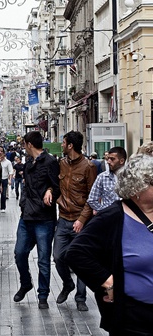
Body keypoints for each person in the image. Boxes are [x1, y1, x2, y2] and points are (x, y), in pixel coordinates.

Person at [66, 154, 153, 335]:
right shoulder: (114, 216)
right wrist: (110, 283)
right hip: (134, 319)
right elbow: (75, 253)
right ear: (137, 186)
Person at [13, 131, 60, 310]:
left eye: (25, 144)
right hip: (26, 217)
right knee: (19, 253)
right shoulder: (28, 163)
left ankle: (43, 295)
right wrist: (23, 203)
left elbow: (57, 187)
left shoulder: (50, 162)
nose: (24, 147)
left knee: (43, 260)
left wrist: (50, 191)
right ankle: (26, 283)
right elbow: (26, 186)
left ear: (29, 144)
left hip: (44, 218)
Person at [53, 131, 97, 311]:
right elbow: (54, 184)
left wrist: (82, 219)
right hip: (63, 219)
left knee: (81, 259)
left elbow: (92, 197)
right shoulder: (61, 164)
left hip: (81, 221)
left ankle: (81, 298)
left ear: (70, 145)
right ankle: (67, 284)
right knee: (58, 256)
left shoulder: (89, 166)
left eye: (63, 143)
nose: (61, 145)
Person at [88, 147, 127, 214]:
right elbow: (92, 200)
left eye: (112, 159)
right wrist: (105, 212)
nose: (108, 161)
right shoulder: (102, 177)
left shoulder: (130, 177)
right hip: (109, 219)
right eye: (108, 159)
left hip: (127, 218)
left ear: (121, 161)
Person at [0, 145, 13, 213]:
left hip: (4, 179)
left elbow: (10, 171)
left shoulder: (8, 162)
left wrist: (10, 180)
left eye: (1, 151)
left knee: (3, 194)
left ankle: (2, 207)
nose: (0, 152)